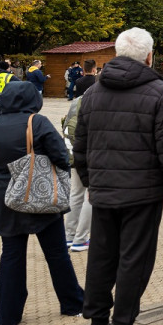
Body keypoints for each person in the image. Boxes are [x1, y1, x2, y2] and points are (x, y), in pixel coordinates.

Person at [74, 27, 163, 325]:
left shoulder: (94, 93)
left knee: (101, 255)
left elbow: (80, 146)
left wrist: (91, 179)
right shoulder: (158, 92)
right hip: (143, 191)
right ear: (150, 56)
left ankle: (97, 324)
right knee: (134, 258)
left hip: (104, 189)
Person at [0, 82, 84, 325]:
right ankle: (72, 303)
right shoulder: (37, 122)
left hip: (7, 199)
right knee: (56, 254)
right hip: (41, 198)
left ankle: (8, 316)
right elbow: (61, 156)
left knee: (11, 255)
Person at [61, 93, 92, 252]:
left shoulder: (77, 101)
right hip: (88, 156)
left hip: (73, 154)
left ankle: (69, 235)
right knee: (90, 196)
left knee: (76, 194)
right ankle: (81, 239)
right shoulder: (96, 99)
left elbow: (66, 124)